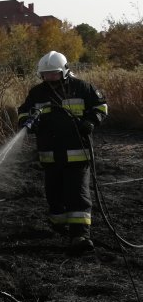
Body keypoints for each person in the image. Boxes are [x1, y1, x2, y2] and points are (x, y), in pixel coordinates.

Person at [17, 51, 108, 256]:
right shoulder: (37, 93)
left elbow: (101, 106)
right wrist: (26, 121)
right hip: (50, 155)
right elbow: (23, 110)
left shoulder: (82, 88)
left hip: (78, 153)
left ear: (65, 71)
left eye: (54, 74)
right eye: (45, 75)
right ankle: (59, 224)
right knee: (54, 194)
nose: (49, 78)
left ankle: (80, 236)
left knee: (78, 195)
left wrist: (91, 122)